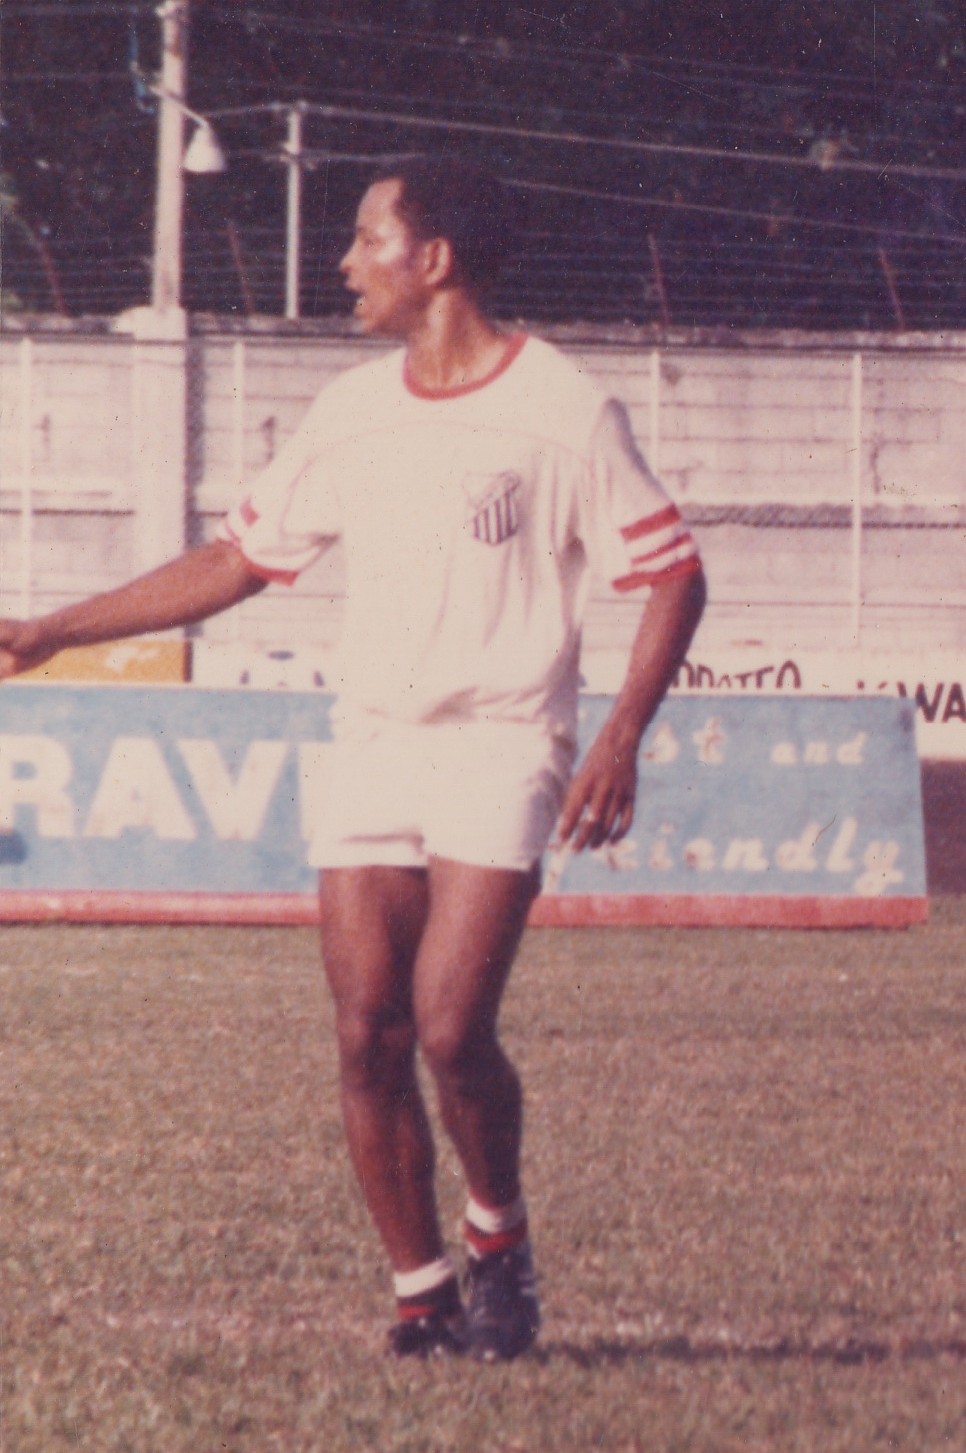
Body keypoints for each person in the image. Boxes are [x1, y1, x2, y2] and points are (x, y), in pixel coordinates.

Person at [0, 154, 706, 1359]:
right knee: (367, 1031)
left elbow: (674, 574)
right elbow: (236, 562)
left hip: (501, 740)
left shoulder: (563, 407)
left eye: (366, 239)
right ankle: (422, 1293)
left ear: (435, 259)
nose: (343, 263)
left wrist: (621, 735)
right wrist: (53, 630)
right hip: (373, 739)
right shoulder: (352, 411)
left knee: (450, 1027)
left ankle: (498, 1240)